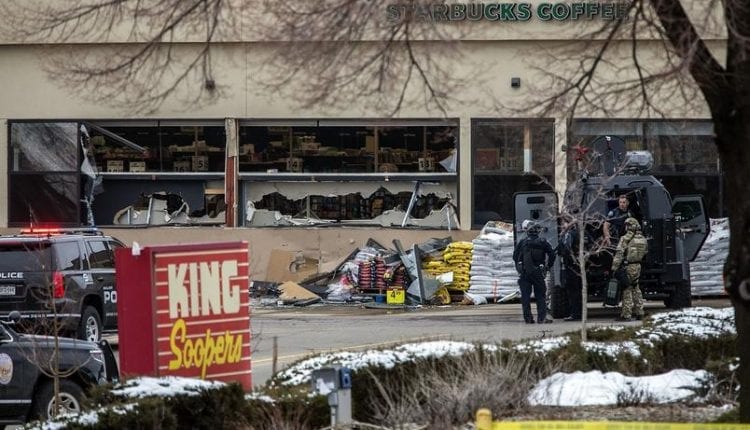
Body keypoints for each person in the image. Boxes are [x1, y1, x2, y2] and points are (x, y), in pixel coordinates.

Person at [513, 221, 556, 324]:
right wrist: (548, 266)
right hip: (538, 272)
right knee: (540, 295)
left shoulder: (522, 242)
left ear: (527, 231)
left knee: (525, 297)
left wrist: (519, 268)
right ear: (538, 231)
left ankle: (528, 318)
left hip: (524, 273)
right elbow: (552, 255)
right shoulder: (543, 242)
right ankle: (541, 318)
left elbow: (515, 256)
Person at [611, 217, 647, 321]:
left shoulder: (625, 239)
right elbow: (645, 252)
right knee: (636, 288)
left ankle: (626, 314)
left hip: (628, 266)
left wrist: (614, 267)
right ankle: (640, 312)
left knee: (627, 289)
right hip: (638, 266)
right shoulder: (643, 239)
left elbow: (619, 254)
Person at [558, 220, 588, 321]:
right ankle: (579, 313)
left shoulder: (569, 235)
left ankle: (575, 314)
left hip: (571, 266)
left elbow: (566, 249)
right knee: (578, 291)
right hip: (579, 266)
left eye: (564, 224)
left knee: (572, 291)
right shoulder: (580, 234)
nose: (562, 226)